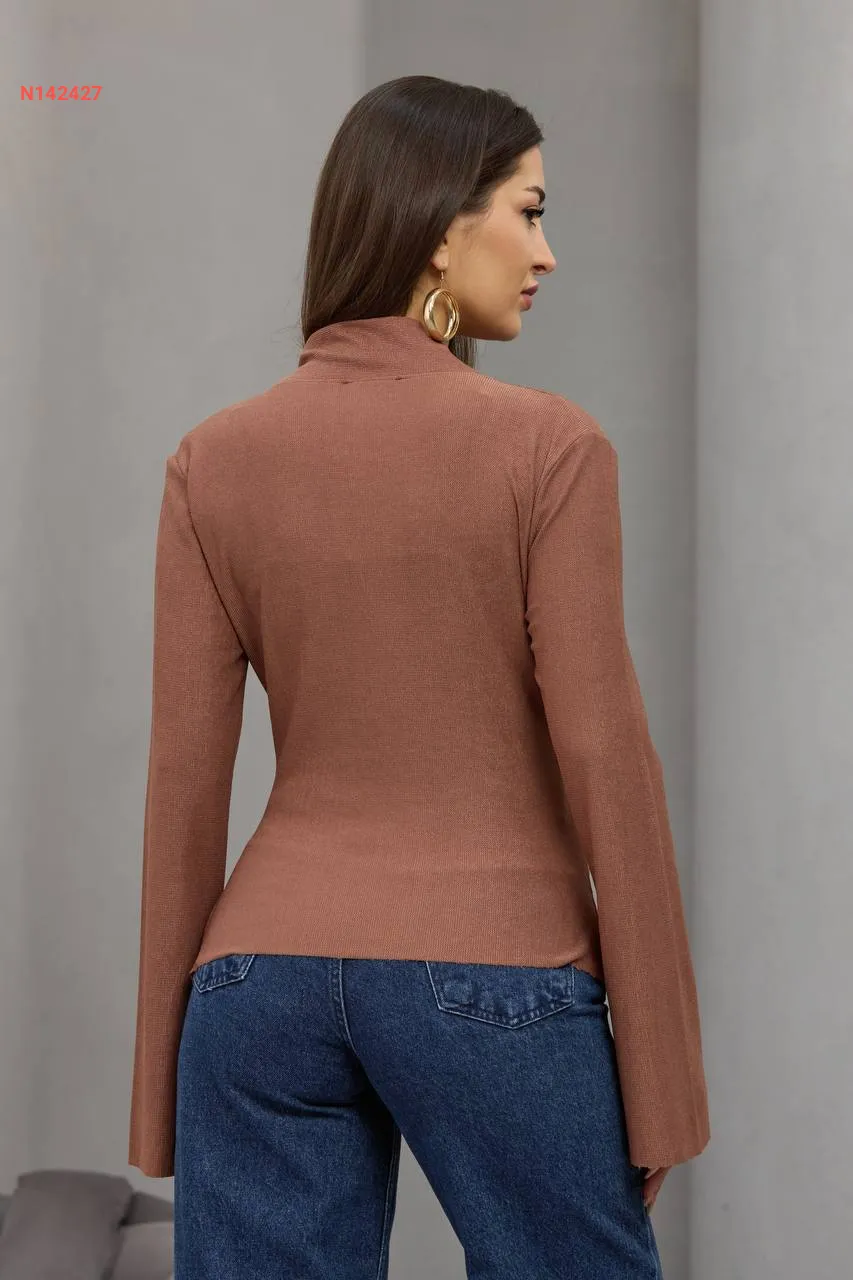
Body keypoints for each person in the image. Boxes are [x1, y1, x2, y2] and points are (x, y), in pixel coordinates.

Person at [128, 74, 709, 1277]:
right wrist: (660, 1080)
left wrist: (157, 1096)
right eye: (528, 211)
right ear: (444, 226)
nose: (545, 253)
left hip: (257, 985)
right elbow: (602, 749)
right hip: (496, 967)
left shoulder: (211, 461)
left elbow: (184, 783)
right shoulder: (546, 447)